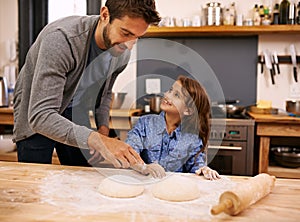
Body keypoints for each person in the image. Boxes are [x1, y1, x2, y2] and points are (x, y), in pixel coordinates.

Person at [13, 0, 161, 168]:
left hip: (75, 112)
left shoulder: (122, 53)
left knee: (83, 175)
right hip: (37, 112)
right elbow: (40, 116)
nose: (129, 45)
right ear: (105, 15)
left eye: (137, 37)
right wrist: (98, 141)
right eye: (125, 33)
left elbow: (105, 93)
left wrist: (103, 129)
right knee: (36, 180)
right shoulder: (61, 39)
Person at [126, 75, 221, 180]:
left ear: (188, 110)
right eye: (170, 90)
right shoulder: (145, 123)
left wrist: (204, 169)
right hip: (144, 184)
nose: (167, 95)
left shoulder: (192, 138)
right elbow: (129, 152)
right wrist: (144, 167)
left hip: (174, 188)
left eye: (176, 95)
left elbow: (196, 167)